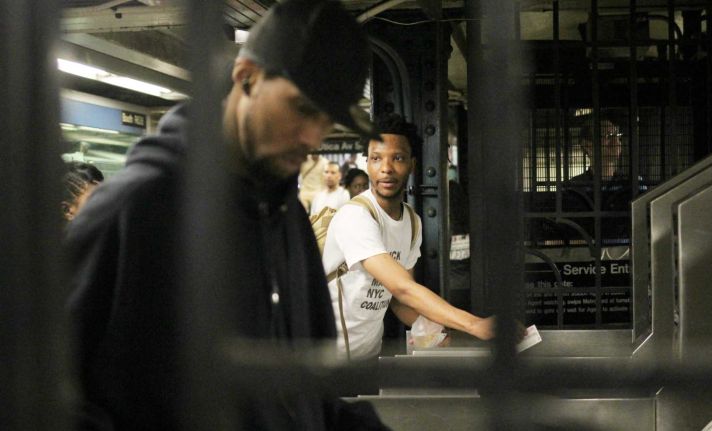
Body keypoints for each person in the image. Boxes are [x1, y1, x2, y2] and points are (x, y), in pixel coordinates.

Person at [65, 1, 388, 429]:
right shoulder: (135, 209)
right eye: (302, 109)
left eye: (327, 120)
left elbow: (309, 390)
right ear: (246, 76)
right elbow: (48, 393)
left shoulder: (283, 213)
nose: (313, 137)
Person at [321, 113, 494, 361]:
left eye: (398, 158)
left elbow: (397, 299)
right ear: (367, 163)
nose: (386, 168)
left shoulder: (412, 223)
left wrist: (429, 328)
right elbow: (404, 289)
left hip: (366, 354)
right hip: (324, 357)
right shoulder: (356, 216)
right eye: (376, 158)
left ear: (412, 164)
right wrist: (474, 324)